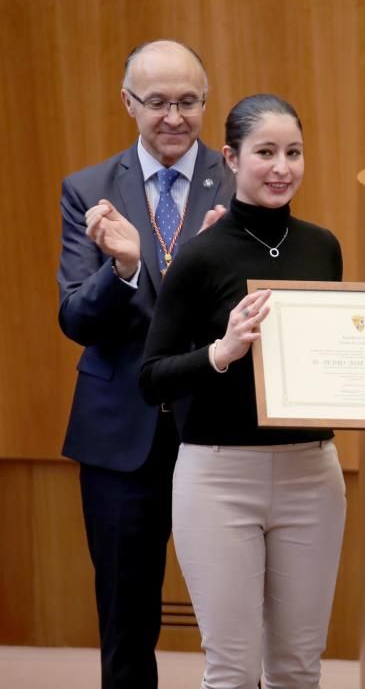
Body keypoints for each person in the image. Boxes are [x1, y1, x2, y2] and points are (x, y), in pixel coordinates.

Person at [139, 94, 346, 689]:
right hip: (219, 478)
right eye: (265, 153)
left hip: (312, 472)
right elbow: (151, 376)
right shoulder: (201, 256)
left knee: (299, 669)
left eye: (294, 152)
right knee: (231, 670)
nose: (282, 167)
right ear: (230, 158)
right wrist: (222, 352)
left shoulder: (322, 246)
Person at [57, 40, 234, 689]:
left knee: (235, 615)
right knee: (126, 622)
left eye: (188, 102)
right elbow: (76, 319)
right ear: (127, 103)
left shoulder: (242, 181)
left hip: (216, 427)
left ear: (205, 104)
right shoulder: (89, 191)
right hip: (118, 433)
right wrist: (123, 269)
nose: (173, 117)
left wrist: (219, 273)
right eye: (156, 102)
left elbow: (261, 316)